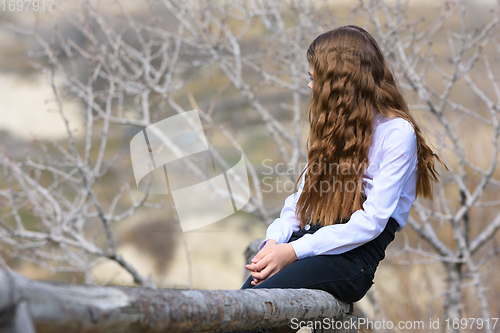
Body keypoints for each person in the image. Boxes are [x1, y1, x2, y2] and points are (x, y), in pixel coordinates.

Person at [240, 25, 445, 308]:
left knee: (258, 306)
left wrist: (294, 252)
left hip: (352, 260)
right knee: (242, 306)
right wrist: (275, 243)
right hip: (309, 242)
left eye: (315, 78)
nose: (310, 86)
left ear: (340, 80)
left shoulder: (398, 133)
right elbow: (299, 203)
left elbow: (371, 223)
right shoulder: (336, 129)